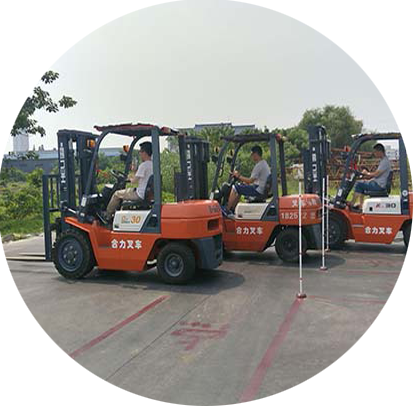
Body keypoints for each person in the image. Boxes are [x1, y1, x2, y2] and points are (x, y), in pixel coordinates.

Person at [106, 141, 153, 218]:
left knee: (116, 194)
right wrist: (134, 172)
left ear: (144, 152)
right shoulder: (153, 165)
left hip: (140, 194)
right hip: (146, 193)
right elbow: (141, 177)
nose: (140, 154)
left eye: (140, 152)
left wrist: (130, 178)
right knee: (125, 193)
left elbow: (134, 181)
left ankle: (107, 215)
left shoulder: (143, 165)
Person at [226, 145, 271, 212]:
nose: (251, 156)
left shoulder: (259, 166)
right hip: (261, 189)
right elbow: (253, 180)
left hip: (258, 190)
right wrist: (243, 181)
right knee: (240, 188)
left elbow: (250, 181)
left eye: (252, 154)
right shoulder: (264, 163)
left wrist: (238, 176)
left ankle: (227, 210)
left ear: (256, 154)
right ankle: (232, 210)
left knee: (235, 187)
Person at [350, 143, 391, 209]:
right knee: (362, 184)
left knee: (358, 184)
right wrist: (368, 179)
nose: (374, 153)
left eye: (375, 152)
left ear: (380, 151)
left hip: (379, 186)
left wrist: (367, 173)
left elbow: (376, 174)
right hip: (378, 184)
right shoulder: (383, 161)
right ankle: (361, 206)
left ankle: (352, 204)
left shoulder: (385, 162)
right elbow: (377, 176)